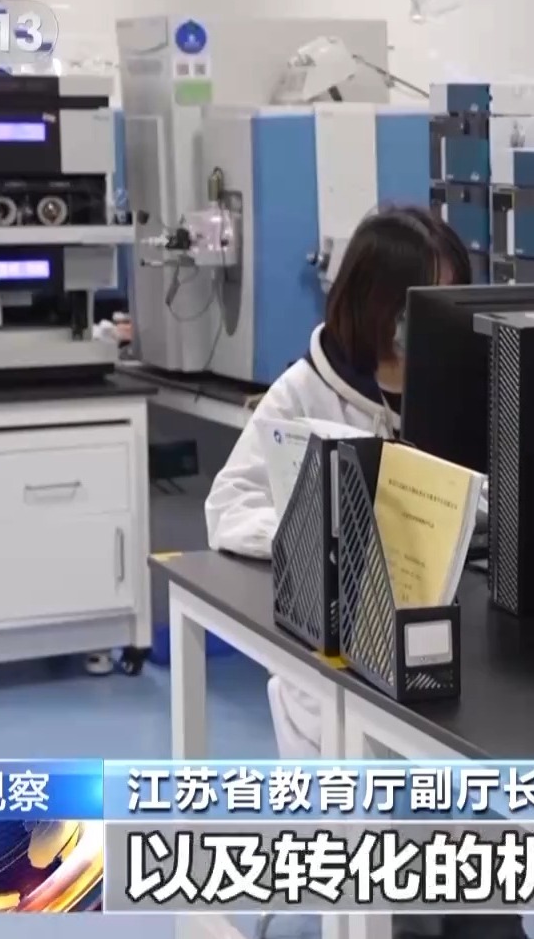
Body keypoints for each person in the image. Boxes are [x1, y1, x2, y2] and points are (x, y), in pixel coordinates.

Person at [206, 206, 472, 759]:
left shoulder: (461, 382)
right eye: (422, 301)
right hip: (338, 648)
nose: (437, 317)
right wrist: (326, 535)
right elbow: (229, 506)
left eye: (450, 298)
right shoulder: (304, 392)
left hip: (449, 629)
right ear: (377, 302)